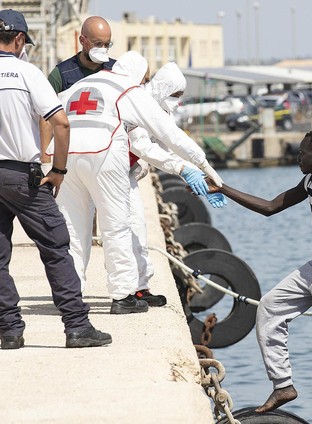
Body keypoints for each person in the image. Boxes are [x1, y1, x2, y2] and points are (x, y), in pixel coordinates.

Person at [207, 127, 312, 413]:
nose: (298, 157)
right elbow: (270, 207)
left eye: (302, 153)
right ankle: (283, 385)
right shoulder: (311, 182)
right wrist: (223, 188)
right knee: (269, 308)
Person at [51, 50, 223, 314]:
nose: (145, 84)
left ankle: (70, 296)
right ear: (136, 75)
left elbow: (49, 118)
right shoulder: (128, 89)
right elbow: (170, 135)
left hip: (64, 157)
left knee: (73, 231)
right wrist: (203, 165)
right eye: (144, 78)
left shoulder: (79, 86)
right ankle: (122, 296)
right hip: (102, 155)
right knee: (116, 227)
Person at [0, 9, 111, 349]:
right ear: (19, 39)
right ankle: (77, 326)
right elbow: (60, 123)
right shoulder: (27, 73)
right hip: (23, 176)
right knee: (56, 247)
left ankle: (8, 330)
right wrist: (59, 170)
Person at [128, 62, 227, 305]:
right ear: (163, 89)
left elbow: (173, 146)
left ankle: (139, 289)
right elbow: (143, 147)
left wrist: (201, 174)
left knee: (138, 229)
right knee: (122, 232)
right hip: (110, 173)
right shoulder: (141, 104)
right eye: (175, 95)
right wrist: (185, 170)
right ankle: (124, 292)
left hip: (126, 175)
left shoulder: (163, 110)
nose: (177, 101)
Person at [41, 16, 115, 168]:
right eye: (97, 44)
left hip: (106, 158)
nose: (102, 49)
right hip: (71, 158)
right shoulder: (61, 74)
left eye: (107, 44)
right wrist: (45, 161)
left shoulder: (117, 71)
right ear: (82, 40)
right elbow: (46, 118)